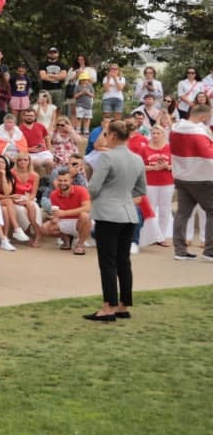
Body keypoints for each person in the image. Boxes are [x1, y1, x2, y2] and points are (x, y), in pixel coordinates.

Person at [83, 119, 147, 322]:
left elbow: (93, 187)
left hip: (108, 214)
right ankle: (123, 304)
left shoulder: (107, 158)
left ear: (111, 135)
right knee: (123, 261)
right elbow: (140, 189)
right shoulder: (137, 159)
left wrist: (98, 195)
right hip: (128, 213)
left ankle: (108, 306)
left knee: (108, 261)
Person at [170, 103, 213, 261]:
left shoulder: (175, 128)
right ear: (202, 117)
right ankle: (210, 251)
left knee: (182, 214)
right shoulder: (198, 133)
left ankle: (180, 250)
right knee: (211, 212)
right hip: (202, 179)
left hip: (182, 176)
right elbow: (209, 155)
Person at [40, 168, 93, 254]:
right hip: (65, 220)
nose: (62, 183)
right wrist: (54, 218)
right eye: (60, 180)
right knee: (44, 229)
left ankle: (80, 245)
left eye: (65, 180)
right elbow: (56, 212)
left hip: (81, 221)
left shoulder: (81, 190)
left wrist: (64, 213)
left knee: (85, 216)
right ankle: (66, 239)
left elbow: (87, 208)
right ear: (57, 180)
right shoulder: (54, 194)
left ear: (71, 180)